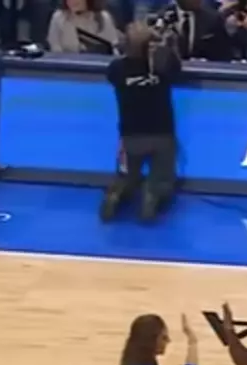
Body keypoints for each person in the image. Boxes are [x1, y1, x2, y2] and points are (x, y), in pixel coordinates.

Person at [100, 21, 181, 223]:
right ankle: (151, 195)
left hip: (131, 136)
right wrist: (165, 44)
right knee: (162, 178)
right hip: (162, 135)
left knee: (127, 175)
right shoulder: (162, 66)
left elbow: (113, 76)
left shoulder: (117, 69)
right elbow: (177, 68)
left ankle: (115, 194)